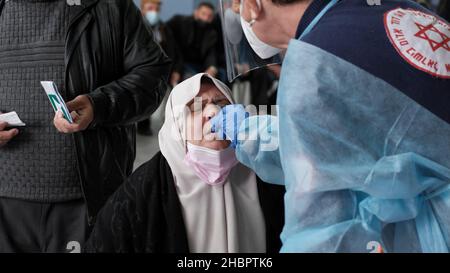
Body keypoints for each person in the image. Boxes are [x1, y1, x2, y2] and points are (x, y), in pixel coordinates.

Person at [213, 0, 450, 252]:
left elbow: (322, 234)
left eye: (238, 5)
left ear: (253, 5)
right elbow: (352, 138)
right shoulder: (395, 8)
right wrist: (252, 132)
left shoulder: (313, 66)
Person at [0, 0, 170, 252]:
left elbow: (152, 73)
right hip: (6, 203)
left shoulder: (109, 7)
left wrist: (99, 105)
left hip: (87, 201)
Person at [84, 73, 285, 253]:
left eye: (222, 104)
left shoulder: (264, 172)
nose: (213, 112)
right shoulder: (140, 193)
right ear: (177, 124)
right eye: (197, 106)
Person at [138, 0, 182, 136]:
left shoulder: (164, 28)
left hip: (162, 71)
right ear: (143, 9)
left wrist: (176, 70)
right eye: (150, 8)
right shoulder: (135, 25)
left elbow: (175, 51)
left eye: (157, 8)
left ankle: (168, 125)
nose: (154, 11)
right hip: (140, 70)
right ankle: (141, 124)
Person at [167, 2, 219, 79]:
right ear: (196, 13)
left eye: (209, 16)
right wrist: (176, 69)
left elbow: (211, 53)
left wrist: (212, 67)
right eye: (203, 14)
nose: (206, 18)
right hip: (180, 64)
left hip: (200, 65)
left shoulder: (212, 33)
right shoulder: (179, 22)